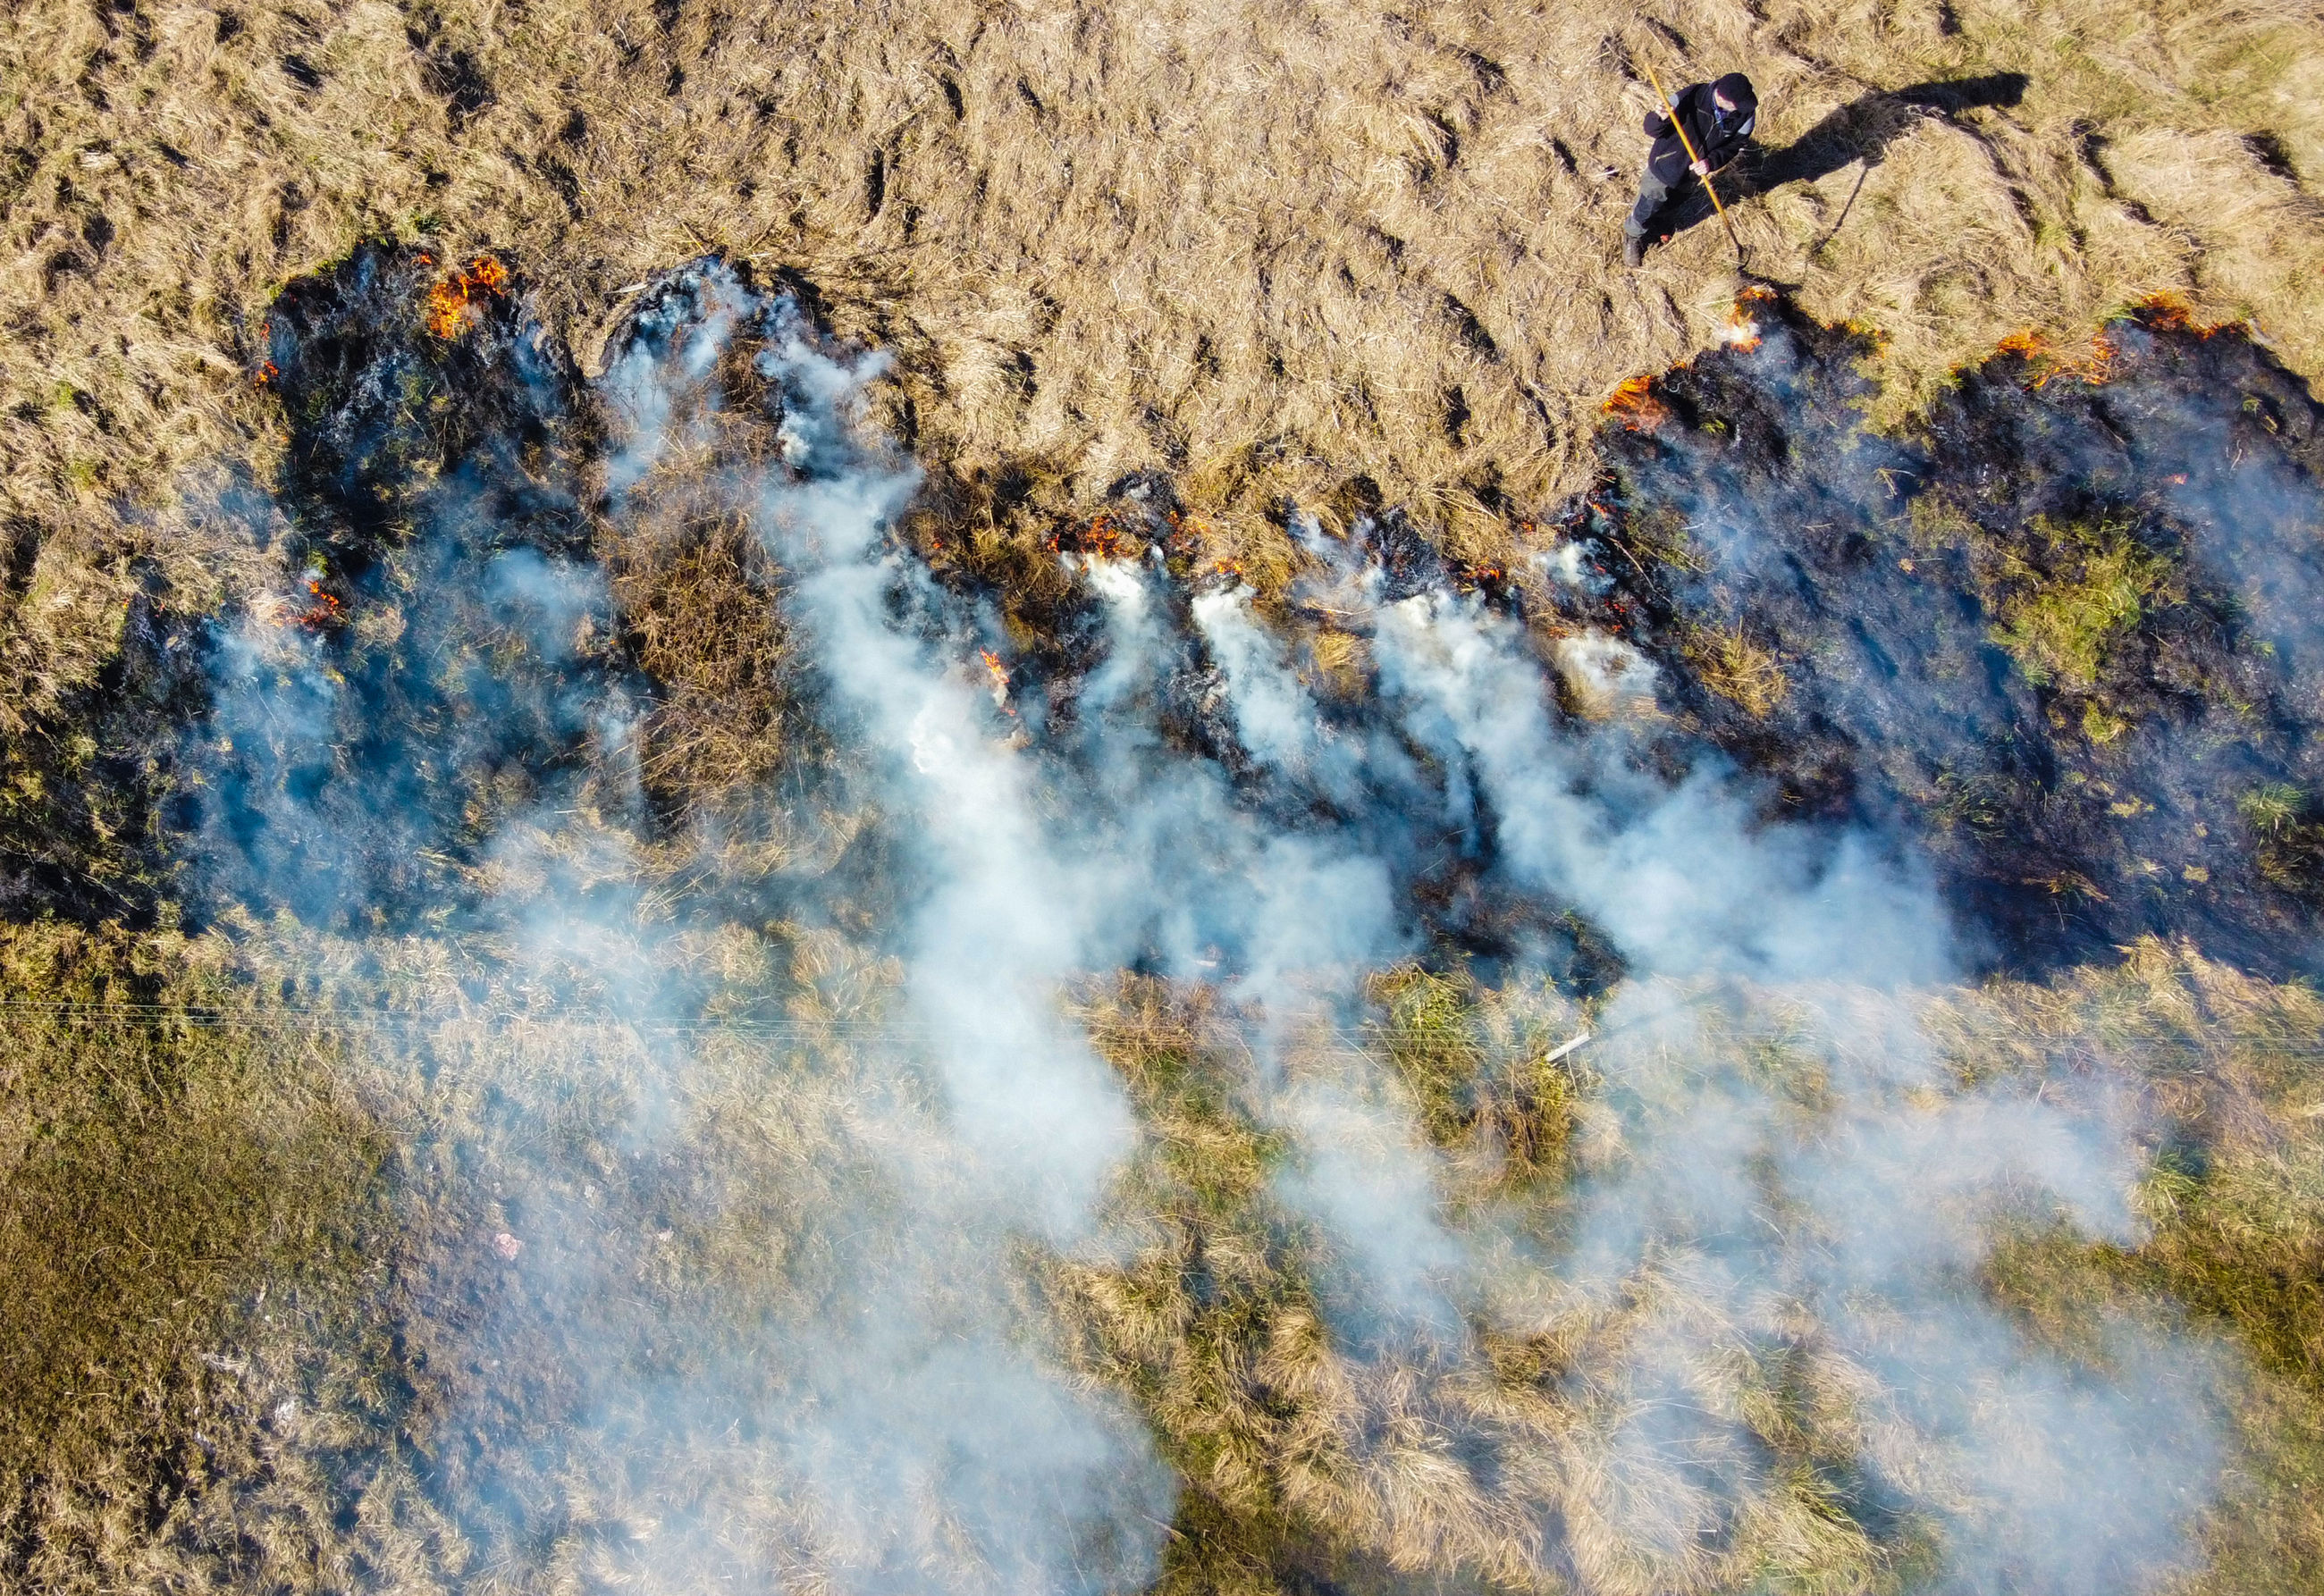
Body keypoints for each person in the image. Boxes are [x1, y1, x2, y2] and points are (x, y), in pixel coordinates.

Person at [1622, 72, 1756, 267]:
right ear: (1721, 97)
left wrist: (1711, 163)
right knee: (1649, 204)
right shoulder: (1692, 95)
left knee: (1675, 201)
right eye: (1737, 105)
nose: (1741, 110)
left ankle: (1659, 225)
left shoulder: (1746, 114)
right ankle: (1633, 236)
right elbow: (1651, 129)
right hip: (1665, 164)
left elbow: (1733, 147)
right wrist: (1661, 118)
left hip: (1694, 172)